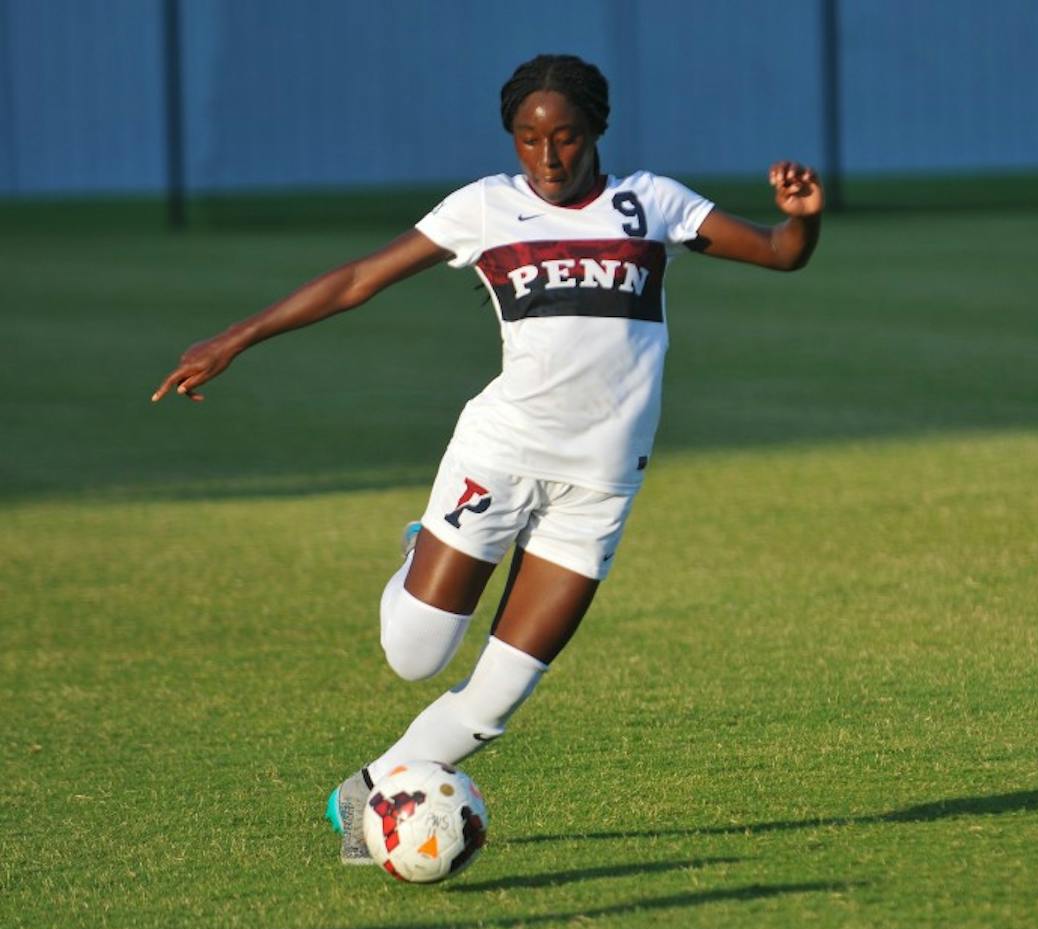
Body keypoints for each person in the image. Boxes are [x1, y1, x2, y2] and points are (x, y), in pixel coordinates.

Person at [152, 54, 823, 864]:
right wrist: (234, 338)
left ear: (596, 130)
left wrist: (803, 218)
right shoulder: (487, 208)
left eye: (566, 136)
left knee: (497, 701)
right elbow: (362, 277)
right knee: (415, 656)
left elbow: (783, 252)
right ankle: (419, 546)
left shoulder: (652, 203)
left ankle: (371, 790)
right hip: (499, 456)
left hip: (600, 488)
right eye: (528, 138)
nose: (547, 156)